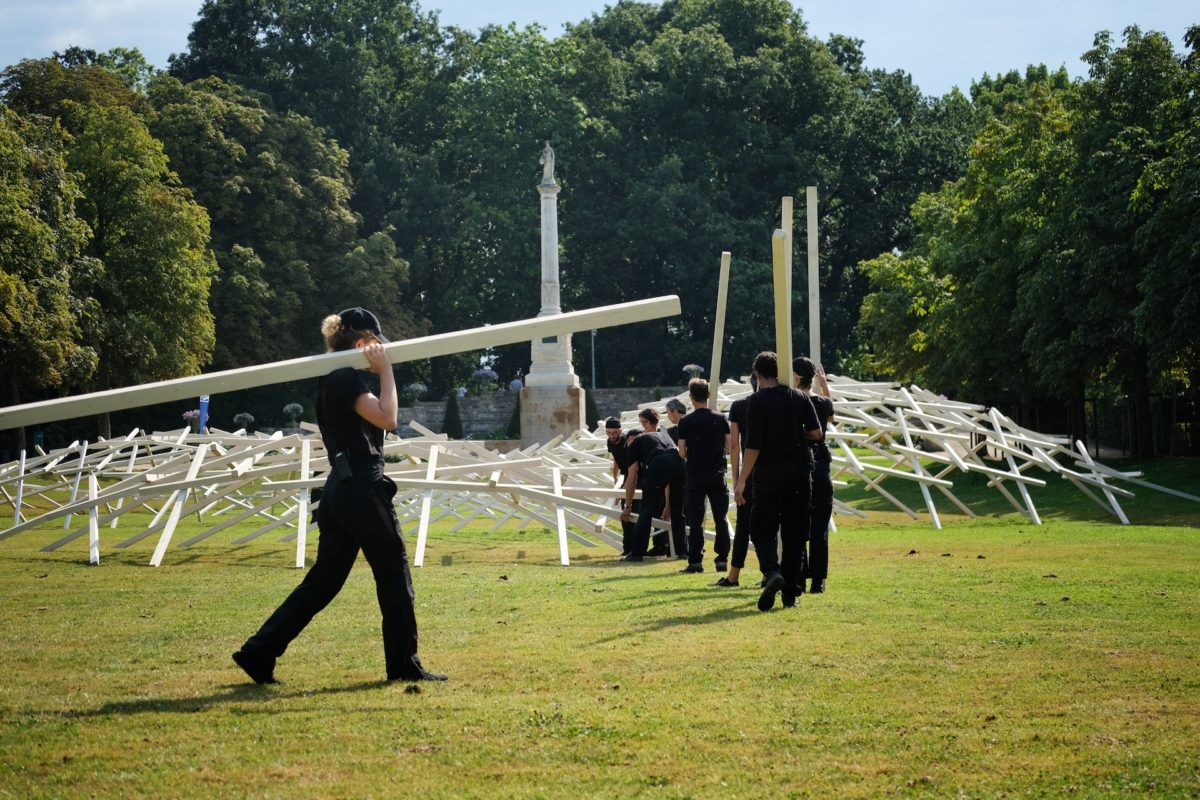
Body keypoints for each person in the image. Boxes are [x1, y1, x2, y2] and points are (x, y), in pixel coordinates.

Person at [232, 307, 446, 684]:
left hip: (341, 488)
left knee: (324, 581)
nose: (380, 350)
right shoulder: (345, 377)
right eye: (377, 343)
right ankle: (403, 665)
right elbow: (388, 418)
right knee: (393, 573)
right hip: (361, 485)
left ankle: (259, 651)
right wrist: (386, 372)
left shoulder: (333, 377)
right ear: (363, 343)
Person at [733, 352, 822, 611]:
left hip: (769, 474)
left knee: (761, 528)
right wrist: (795, 432)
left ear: (758, 374)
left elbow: (753, 446)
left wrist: (741, 480)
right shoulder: (800, 397)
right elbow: (816, 433)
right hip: (800, 473)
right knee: (795, 534)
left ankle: (772, 571)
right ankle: (790, 595)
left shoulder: (756, 401)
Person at [675, 378, 731, 574]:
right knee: (720, 518)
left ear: (691, 398)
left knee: (695, 520)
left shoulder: (685, 422)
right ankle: (722, 559)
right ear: (708, 395)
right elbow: (729, 446)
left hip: (695, 474)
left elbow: (681, 452)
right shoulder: (721, 418)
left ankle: (695, 561)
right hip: (717, 473)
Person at [620, 408, 687, 561]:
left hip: (660, 462)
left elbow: (631, 478)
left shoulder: (635, 443)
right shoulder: (664, 435)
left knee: (647, 507)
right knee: (678, 510)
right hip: (679, 461)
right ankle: (682, 551)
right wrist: (668, 505)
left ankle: (637, 553)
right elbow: (669, 478)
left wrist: (628, 506)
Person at [794, 357, 835, 594]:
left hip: (801, 464)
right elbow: (830, 413)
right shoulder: (822, 402)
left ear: (797, 376)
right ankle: (818, 581)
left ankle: (799, 576)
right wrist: (824, 384)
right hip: (821, 467)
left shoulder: (793, 401)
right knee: (820, 527)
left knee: (798, 525)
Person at [714, 374, 755, 588]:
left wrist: (738, 479)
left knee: (743, 526)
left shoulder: (740, 406)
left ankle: (734, 575)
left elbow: (734, 446)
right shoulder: (784, 401)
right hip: (775, 472)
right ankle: (771, 572)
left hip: (750, 473)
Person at [604, 416, 638, 555]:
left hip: (636, 477)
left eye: (615, 433)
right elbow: (615, 459)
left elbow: (634, 471)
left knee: (633, 512)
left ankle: (636, 549)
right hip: (625, 477)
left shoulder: (627, 442)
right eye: (609, 433)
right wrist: (615, 477)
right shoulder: (610, 442)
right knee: (625, 516)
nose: (612, 436)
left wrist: (622, 491)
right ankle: (627, 549)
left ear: (620, 430)